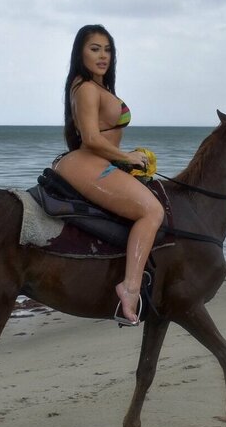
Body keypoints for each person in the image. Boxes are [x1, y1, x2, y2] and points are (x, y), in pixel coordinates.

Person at [53, 24, 164, 325]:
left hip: (99, 162)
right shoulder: (86, 88)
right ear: (80, 53)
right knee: (152, 211)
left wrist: (124, 159)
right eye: (94, 49)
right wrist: (126, 157)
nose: (103, 56)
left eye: (108, 50)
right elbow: (91, 138)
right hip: (88, 163)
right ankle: (130, 289)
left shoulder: (97, 87)